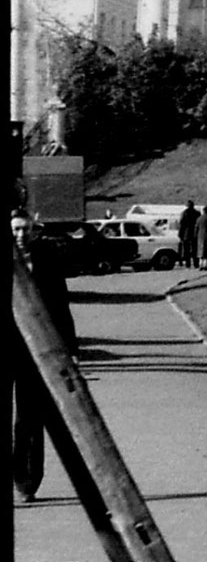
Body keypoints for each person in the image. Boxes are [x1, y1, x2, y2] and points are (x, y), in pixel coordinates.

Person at [11, 210, 76, 503]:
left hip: (33, 352)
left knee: (30, 420)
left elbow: (61, 306)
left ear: (34, 232)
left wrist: (71, 351)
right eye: (15, 230)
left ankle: (27, 481)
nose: (20, 236)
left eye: (25, 230)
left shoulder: (47, 262)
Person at [176, 199, 200, 270]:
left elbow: (182, 224)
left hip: (186, 234)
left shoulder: (184, 213)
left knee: (186, 250)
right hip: (194, 233)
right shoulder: (197, 213)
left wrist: (180, 234)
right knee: (195, 249)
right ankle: (196, 263)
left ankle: (188, 264)